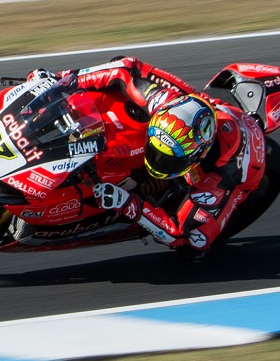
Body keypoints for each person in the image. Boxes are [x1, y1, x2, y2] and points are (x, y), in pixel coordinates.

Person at [61, 56, 266, 256]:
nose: (156, 160)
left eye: (168, 159)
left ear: (195, 158)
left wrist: (126, 203)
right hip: (208, 109)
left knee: (195, 243)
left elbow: (177, 231)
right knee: (118, 68)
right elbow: (125, 68)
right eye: (155, 151)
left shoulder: (220, 176)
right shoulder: (163, 101)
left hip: (243, 170)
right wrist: (65, 80)